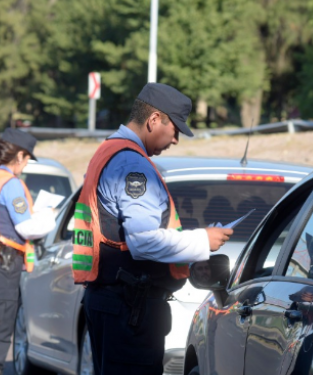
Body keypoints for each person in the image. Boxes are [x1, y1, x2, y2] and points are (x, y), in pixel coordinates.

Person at [72, 82, 233, 375]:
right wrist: (202, 241)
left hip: (111, 301)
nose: (175, 141)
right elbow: (143, 241)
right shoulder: (134, 166)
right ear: (154, 119)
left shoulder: (108, 150)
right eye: (176, 130)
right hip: (129, 307)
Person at [0, 128, 56, 375]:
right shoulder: (10, 183)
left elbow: (2, 219)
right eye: (27, 159)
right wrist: (49, 219)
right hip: (4, 263)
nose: (26, 165)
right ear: (19, 156)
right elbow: (25, 227)